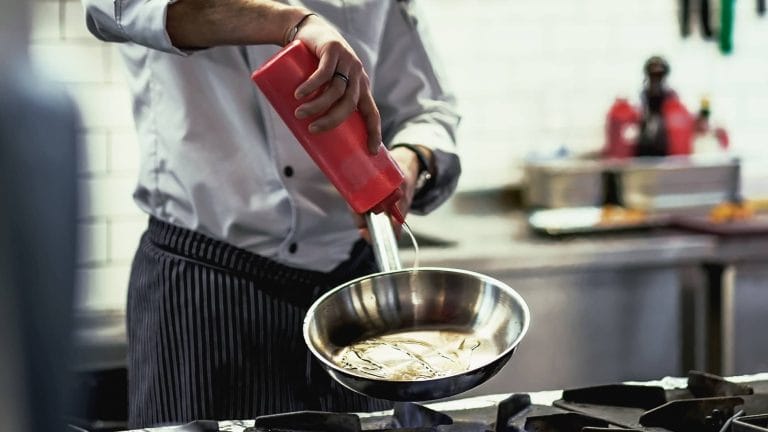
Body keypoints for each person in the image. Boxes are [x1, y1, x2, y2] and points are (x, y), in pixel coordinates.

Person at [82, 0, 461, 428]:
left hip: (351, 291)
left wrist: (411, 160)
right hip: (203, 292)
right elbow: (115, 9)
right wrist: (293, 24)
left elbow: (427, 109)